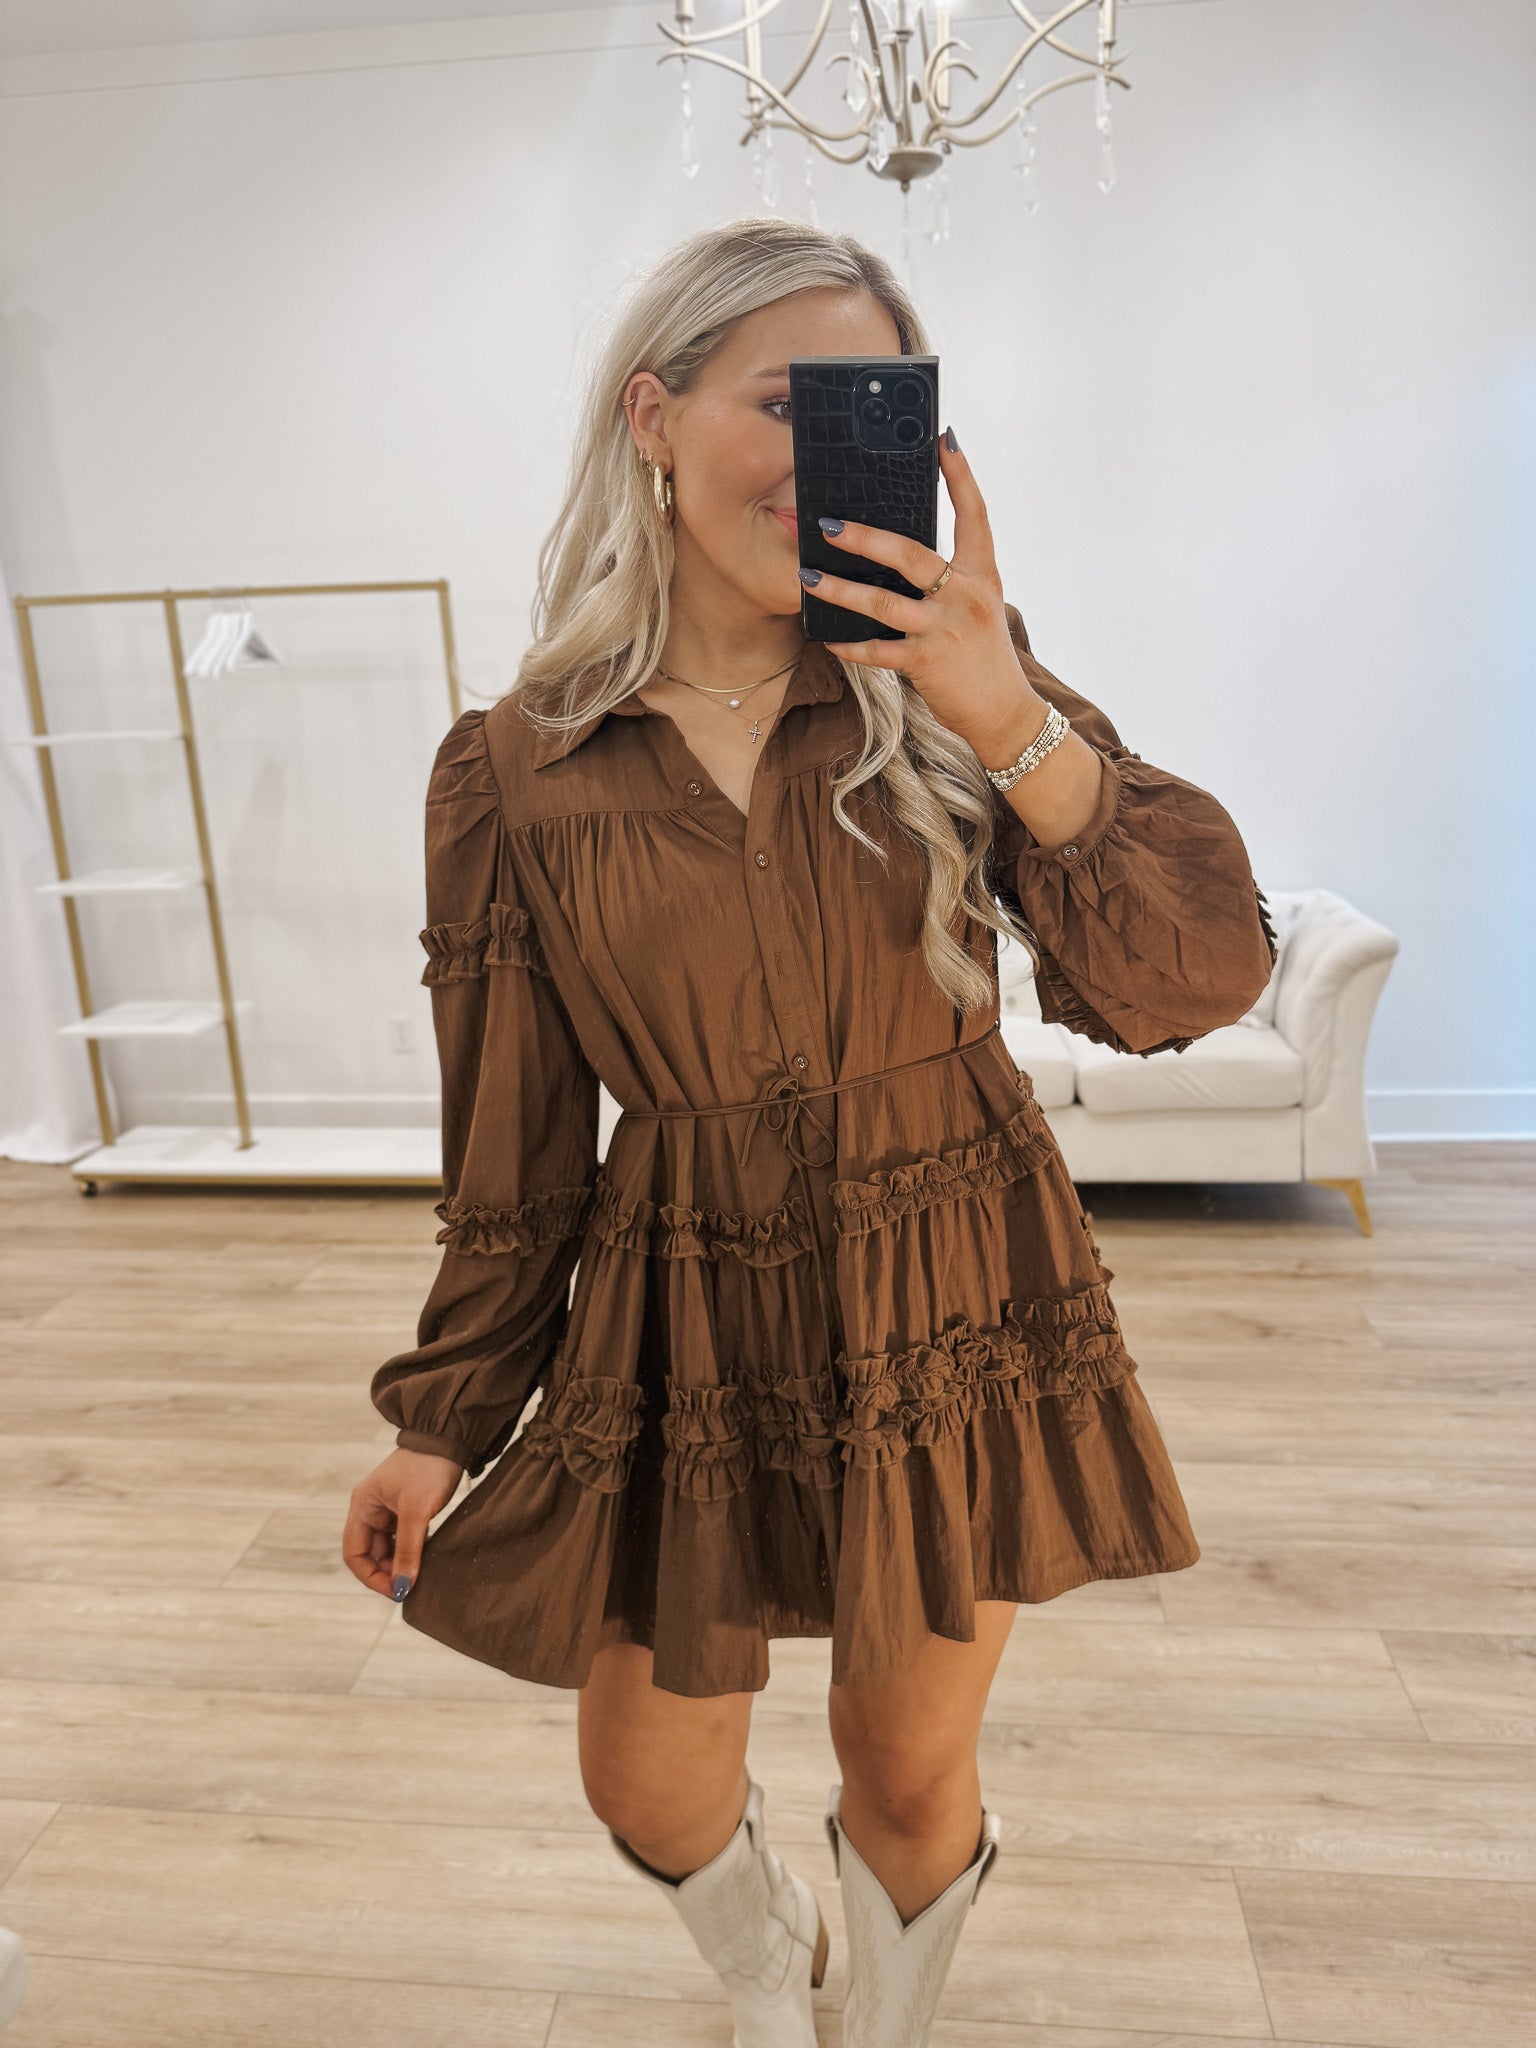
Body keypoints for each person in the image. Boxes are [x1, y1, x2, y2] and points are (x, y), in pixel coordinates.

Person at [342, 216, 1276, 2047]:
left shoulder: (957, 681)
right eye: (786, 401)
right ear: (654, 419)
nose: (824, 450)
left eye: (875, 408)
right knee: (645, 1776)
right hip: (683, 1307)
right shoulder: (518, 768)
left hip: (949, 1277)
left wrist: (1007, 715)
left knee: (907, 1762)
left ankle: (870, 2030)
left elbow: (1198, 976)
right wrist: (439, 1422)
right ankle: (774, 1963)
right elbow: (513, 1149)